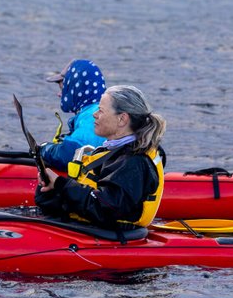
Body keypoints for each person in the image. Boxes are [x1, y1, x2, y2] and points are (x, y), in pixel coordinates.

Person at [35, 84, 165, 231]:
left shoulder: (133, 162)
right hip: (90, 228)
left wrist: (61, 185)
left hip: (110, 237)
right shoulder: (114, 152)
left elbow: (108, 209)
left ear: (122, 119)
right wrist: (51, 189)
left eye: (101, 110)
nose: (94, 114)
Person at [39, 58, 105, 169]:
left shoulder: (92, 117)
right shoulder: (98, 109)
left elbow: (70, 153)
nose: (59, 94)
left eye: (64, 89)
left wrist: (44, 149)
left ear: (77, 89)